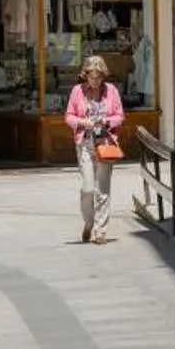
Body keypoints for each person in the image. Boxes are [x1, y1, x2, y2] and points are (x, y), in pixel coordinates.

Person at [65, 55, 124, 244]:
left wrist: (106, 121)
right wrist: (83, 122)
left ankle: (100, 231)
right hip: (85, 143)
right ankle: (89, 222)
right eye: (92, 76)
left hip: (105, 143)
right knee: (88, 188)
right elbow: (69, 116)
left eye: (99, 76)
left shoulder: (111, 91)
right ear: (85, 75)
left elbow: (119, 116)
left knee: (102, 188)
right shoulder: (77, 91)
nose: (95, 80)